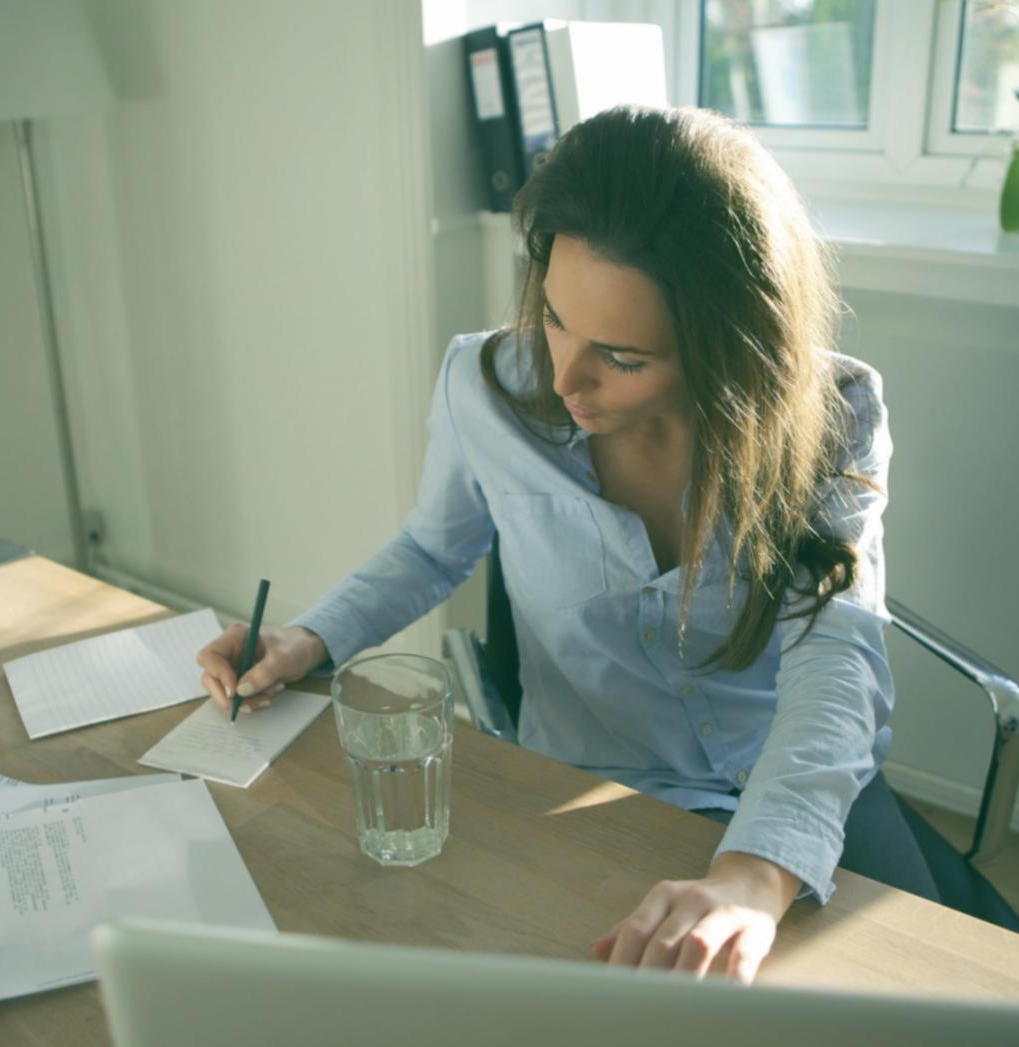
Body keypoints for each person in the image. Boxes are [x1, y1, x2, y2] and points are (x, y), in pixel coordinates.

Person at [196, 105, 932, 985]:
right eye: (552, 318)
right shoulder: (485, 390)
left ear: (727, 348)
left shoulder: (835, 412)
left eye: (622, 357)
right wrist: (309, 637)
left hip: (796, 786)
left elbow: (836, 657)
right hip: (598, 792)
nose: (565, 377)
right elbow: (431, 550)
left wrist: (754, 873)